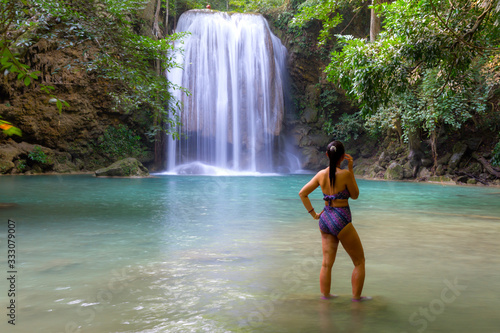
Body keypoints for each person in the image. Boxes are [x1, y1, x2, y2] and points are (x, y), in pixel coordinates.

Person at [299, 140, 370, 302]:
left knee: (326, 264)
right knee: (359, 262)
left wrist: (314, 214)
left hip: (325, 219)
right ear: (342, 157)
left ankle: (325, 298)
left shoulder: (320, 175)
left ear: (326, 155)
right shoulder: (345, 175)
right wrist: (350, 168)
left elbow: (302, 193)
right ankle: (356, 300)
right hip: (341, 219)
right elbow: (355, 195)